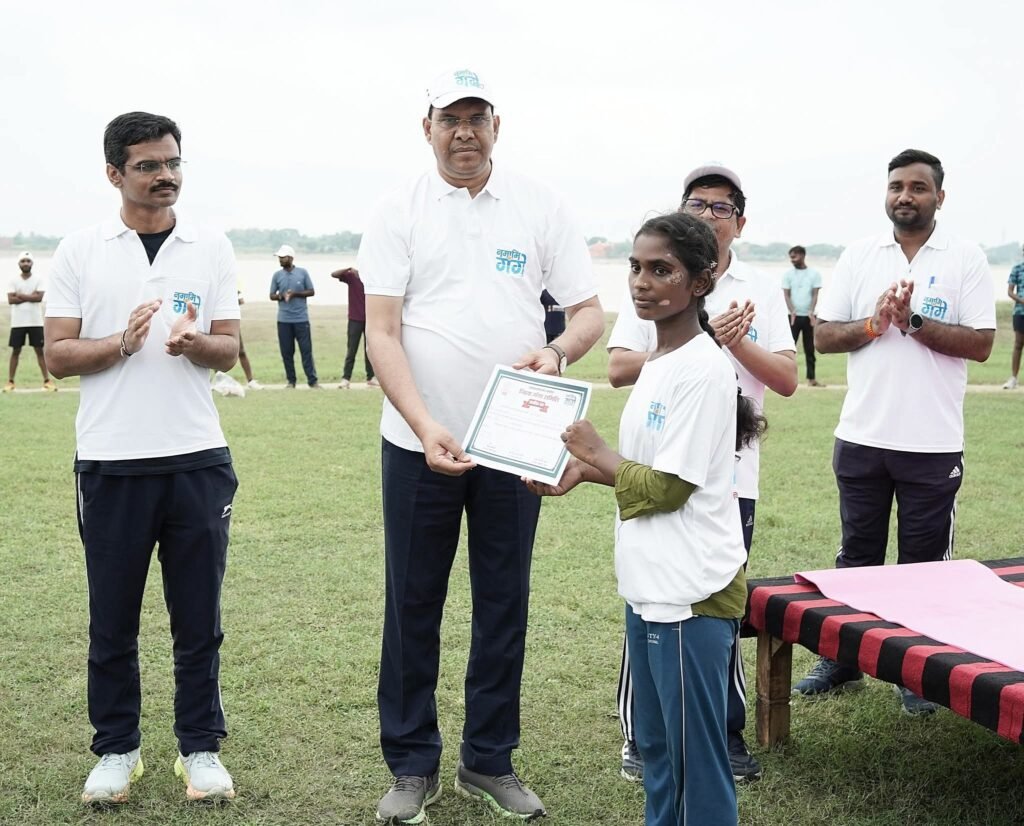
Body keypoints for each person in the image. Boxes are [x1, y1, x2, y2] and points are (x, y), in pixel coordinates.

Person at [360, 67, 604, 824]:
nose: (463, 132)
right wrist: (424, 422)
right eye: (449, 118)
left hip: (514, 446)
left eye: (477, 118)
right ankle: (411, 765)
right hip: (417, 444)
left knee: (504, 602)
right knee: (413, 602)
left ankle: (489, 760)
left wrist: (557, 353)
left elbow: (589, 313)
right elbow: (382, 332)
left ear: (498, 125)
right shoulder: (398, 208)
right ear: (426, 127)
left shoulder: (540, 204)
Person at [527, 212, 765, 826]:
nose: (642, 281)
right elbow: (649, 467)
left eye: (662, 270)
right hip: (650, 583)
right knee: (657, 751)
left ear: (700, 282)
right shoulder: (659, 360)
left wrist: (596, 451)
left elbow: (671, 487)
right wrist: (584, 471)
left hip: (690, 592)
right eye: (636, 267)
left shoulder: (703, 369)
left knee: (695, 762)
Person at [43, 111, 241, 804]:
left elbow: (229, 347)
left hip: (196, 460)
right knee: (112, 621)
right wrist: (121, 345)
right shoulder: (80, 250)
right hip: (111, 463)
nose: (166, 176)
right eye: (149, 166)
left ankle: (200, 749)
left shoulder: (210, 245)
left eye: (173, 163)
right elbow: (57, 354)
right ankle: (116, 751)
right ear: (114, 173)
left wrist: (195, 344)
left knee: (198, 620)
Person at [607, 163, 796, 783]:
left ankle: (721, 731)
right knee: (654, 609)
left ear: (739, 222)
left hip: (723, 483)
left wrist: (729, 343)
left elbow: (786, 379)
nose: (708, 214)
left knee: (712, 613)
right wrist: (701, 336)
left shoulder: (756, 290)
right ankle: (646, 734)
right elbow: (620, 368)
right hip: (663, 477)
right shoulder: (660, 294)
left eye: (721, 206)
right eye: (697, 203)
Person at [794, 148, 996, 715]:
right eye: (896, 187)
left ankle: (918, 675)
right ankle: (842, 659)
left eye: (917, 187)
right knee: (855, 559)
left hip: (931, 443)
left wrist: (914, 323)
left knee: (923, 568)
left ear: (939, 197)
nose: (905, 196)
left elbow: (982, 344)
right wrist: (873, 323)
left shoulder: (965, 257)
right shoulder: (860, 254)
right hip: (862, 435)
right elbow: (824, 335)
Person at [270, 244, 319, 388]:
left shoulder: (302, 273)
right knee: (287, 352)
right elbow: (272, 295)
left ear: (291, 258)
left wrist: (295, 294)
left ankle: (312, 381)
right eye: (279, 257)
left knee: (306, 351)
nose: (280, 260)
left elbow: (311, 291)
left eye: (283, 257)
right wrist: (281, 296)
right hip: (283, 320)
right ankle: (291, 381)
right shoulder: (277, 275)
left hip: (301, 319)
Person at [6, 251, 55, 392]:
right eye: (23, 261)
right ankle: (10, 382)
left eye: (28, 261)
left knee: (40, 351)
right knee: (16, 351)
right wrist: (30, 296)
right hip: (18, 323)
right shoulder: (13, 280)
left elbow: (39, 298)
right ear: (19, 263)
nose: (25, 263)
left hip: (35, 322)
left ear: (32, 263)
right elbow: (10, 300)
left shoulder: (38, 279)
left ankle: (47, 381)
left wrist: (19, 295)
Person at [782, 245, 825, 386]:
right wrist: (792, 311)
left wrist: (811, 311)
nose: (792, 260)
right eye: (790, 257)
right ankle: (785, 378)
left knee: (809, 349)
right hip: (793, 317)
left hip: (809, 317)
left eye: (794, 257)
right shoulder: (788, 275)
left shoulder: (814, 274)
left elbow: (815, 295)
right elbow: (786, 295)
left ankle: (811, 379)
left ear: (802, 255)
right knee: (788, 349)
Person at [331, 266, 378, 388]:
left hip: (370, 319)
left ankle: (371, 377)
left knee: (369, 350)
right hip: (354, 319)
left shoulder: (373, 278)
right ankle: (346, 378)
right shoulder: (352, 277)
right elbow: (334, 274)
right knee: (351, 350)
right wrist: (348, 269)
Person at [1003, 246, 1024, 389]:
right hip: (1019, 312)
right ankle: (1013, 378)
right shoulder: (1017, 269)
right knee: (1018, 344)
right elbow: (1010, 291)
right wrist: (1022, 301)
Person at [237, 287, 262, 389]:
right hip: (215, 319)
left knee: (241, 351)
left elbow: (241, 301)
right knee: (216, 351)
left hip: (231, 322)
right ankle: (218, 380)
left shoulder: (231, 285)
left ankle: (250, 381)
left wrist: (236, 298)